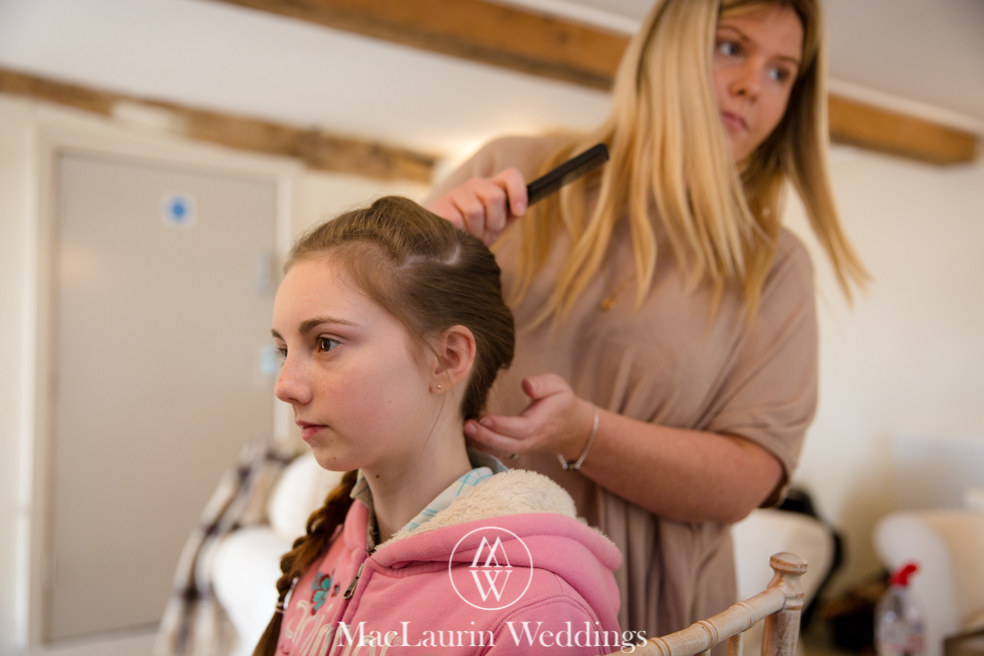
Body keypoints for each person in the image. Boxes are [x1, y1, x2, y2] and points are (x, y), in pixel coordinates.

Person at [425, 0, 867, 640]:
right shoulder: (514, 171)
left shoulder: (776, 268)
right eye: (732, 47)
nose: (752, 85)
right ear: (667, 50)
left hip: (650, 618)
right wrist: (415, 254)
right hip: (457, 586)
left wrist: (585, 433)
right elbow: (358, 355)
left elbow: (747, 478)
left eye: (781, 73)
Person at [253, 196, 634, 656]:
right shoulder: (337, 540)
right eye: (283, 351)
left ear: (448, 360)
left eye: (326, 343)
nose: (286, 386)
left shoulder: (534, 614)